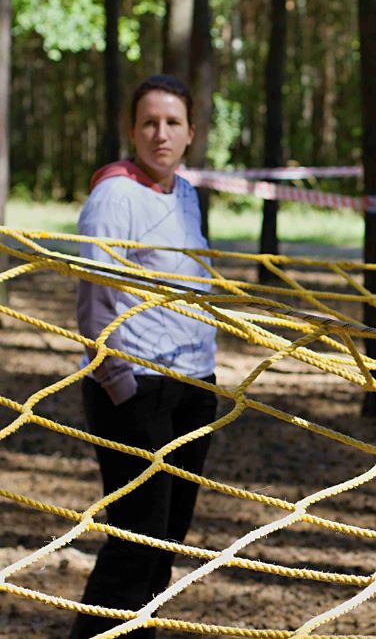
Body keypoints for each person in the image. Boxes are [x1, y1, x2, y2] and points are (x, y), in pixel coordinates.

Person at [71, 75, 218, 639]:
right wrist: (121, 386)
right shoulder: (114, 194)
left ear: (190, 134)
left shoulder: (184, 192)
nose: (161, 133)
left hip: (192, 386)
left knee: (166, 540)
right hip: (135, 387)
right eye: (149, 122)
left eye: (172, 123)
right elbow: (94, 301)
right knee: (136, 540)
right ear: (131, 131)